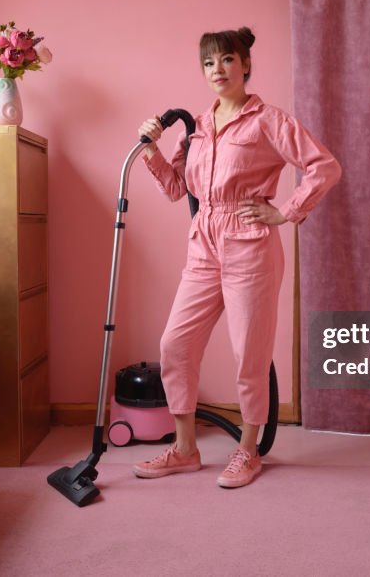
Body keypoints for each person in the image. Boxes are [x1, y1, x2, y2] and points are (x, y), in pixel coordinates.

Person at [134, 26, 341, 488]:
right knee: (175, 344)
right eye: (209, 62)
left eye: (227, 59)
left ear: (245, 65)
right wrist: (150, 149)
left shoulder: (269, 120)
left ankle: (248, 450)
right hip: (203, 244)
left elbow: (323, 166)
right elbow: (176, 189)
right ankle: (185, 449)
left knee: (249, 353)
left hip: (249, 245)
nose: (218, 69)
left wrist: (285, 211)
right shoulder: (197, 128)